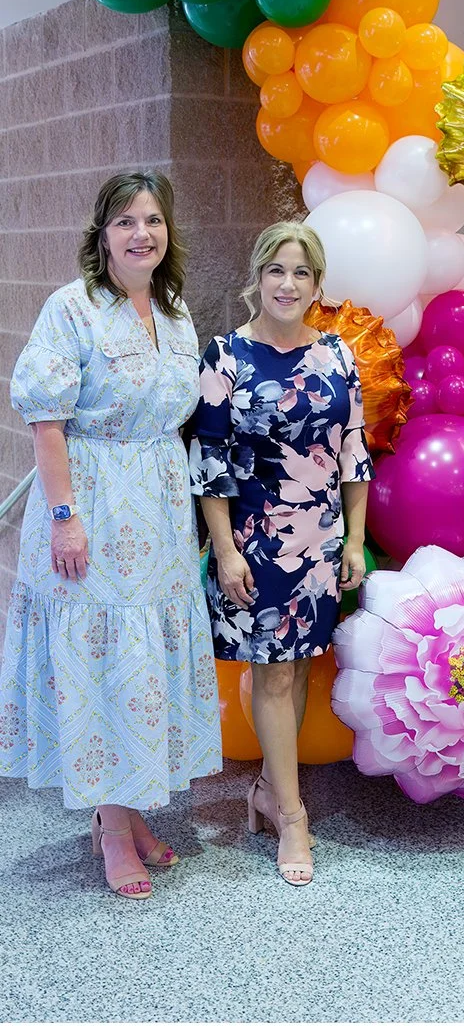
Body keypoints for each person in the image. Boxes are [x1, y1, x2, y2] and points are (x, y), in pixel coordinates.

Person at [0, 171, 222, 899]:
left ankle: (121, 815)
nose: (141, 234)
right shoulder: (72, 309)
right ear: (103, 234)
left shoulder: (177, 313)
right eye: (125, 221)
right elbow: (46, 421)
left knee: (142, 662)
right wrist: (64, 518)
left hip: (156, 508)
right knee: (101, 661)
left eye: (153, 220)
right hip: (90, 505)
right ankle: (115, 830)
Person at [190, 221, 374, 885]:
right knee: (270, 673)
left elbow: (353, 452)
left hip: (320, 540)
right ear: (257, 279)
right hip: (254, 539)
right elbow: (208, 460)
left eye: (300, 272)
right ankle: (293, 815)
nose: (287, 283)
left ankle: (269, 788)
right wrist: (224, 551)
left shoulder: (338, 356)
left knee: (296, 670)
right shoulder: (225, 356)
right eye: (276, 270)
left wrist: (354, 539)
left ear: (316, 284)